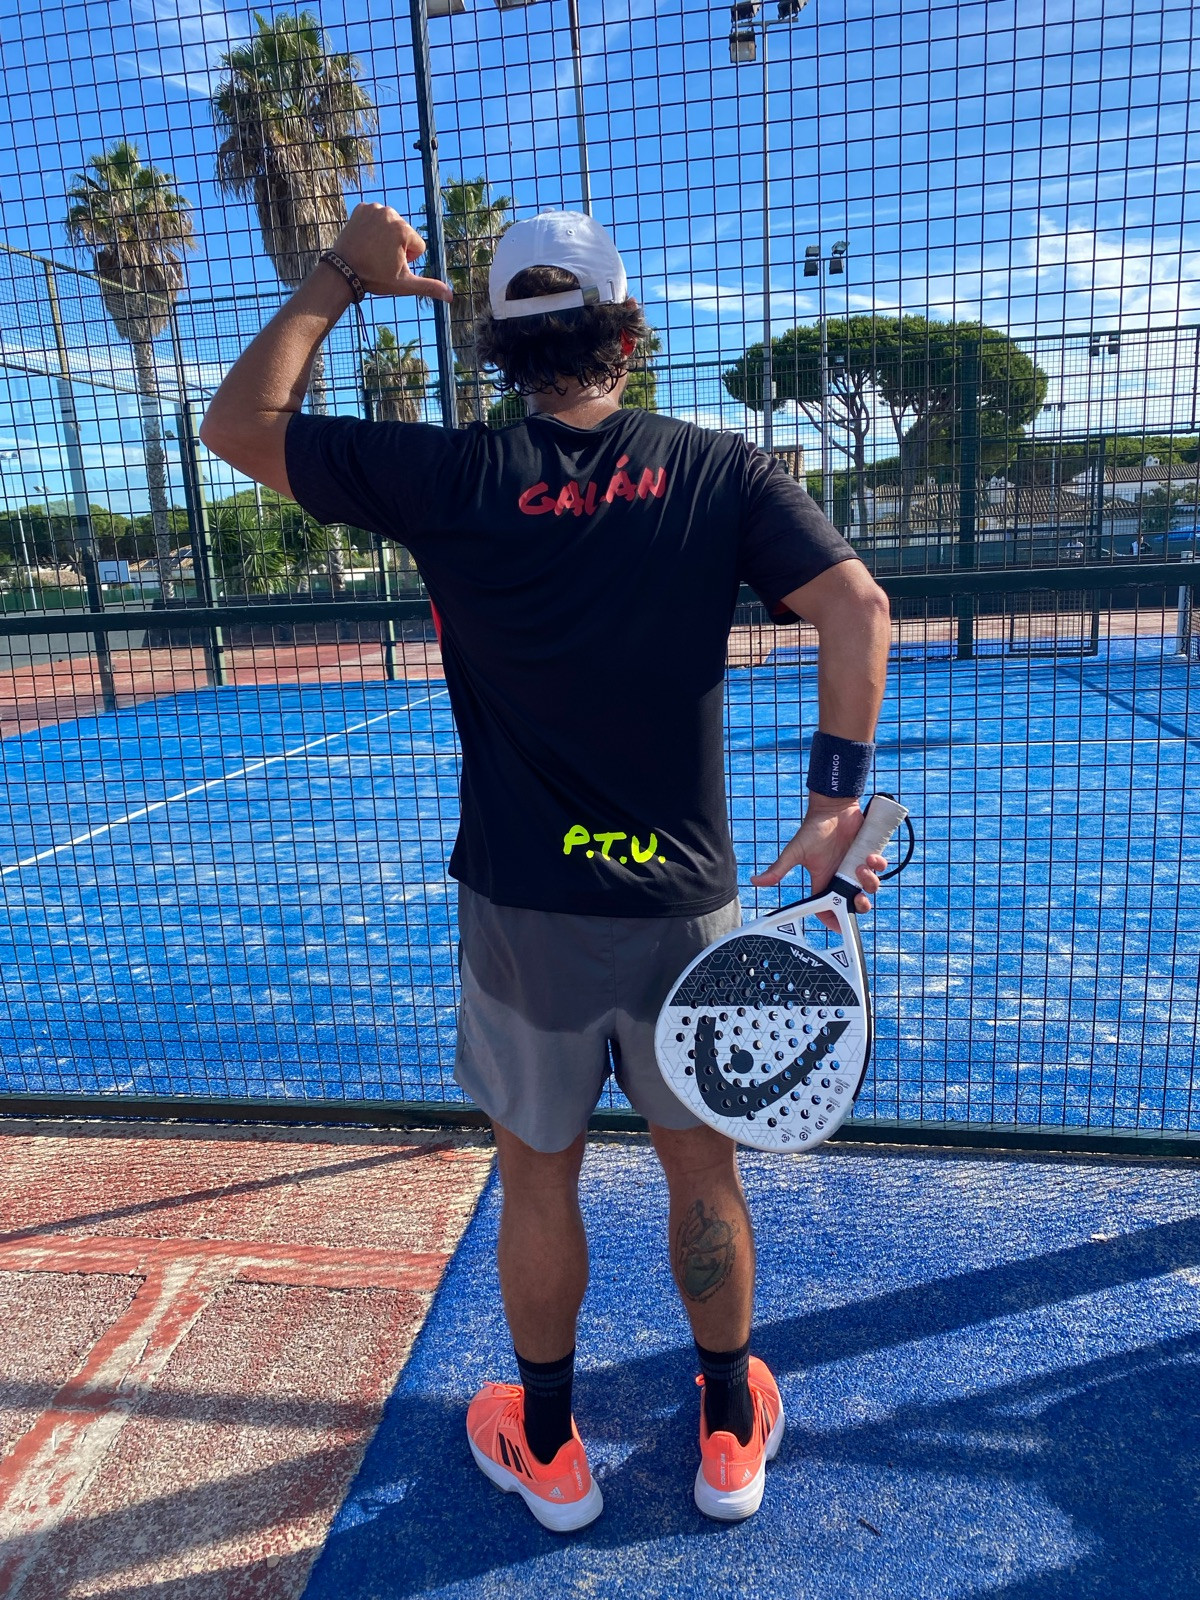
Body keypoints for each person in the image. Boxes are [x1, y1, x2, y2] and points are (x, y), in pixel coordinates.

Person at [201, 204, 892, 1531]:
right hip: (686, 905)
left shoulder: (451, 475)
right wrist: (831, 808)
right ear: (624, 338)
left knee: (537, 1176)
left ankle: (553, 1450)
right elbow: (857, 610)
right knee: (703, 1173)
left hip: (524, 906)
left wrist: (343, 275)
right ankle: (728, 1435)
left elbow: (239, 424)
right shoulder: (721, 469)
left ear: (503, 349)